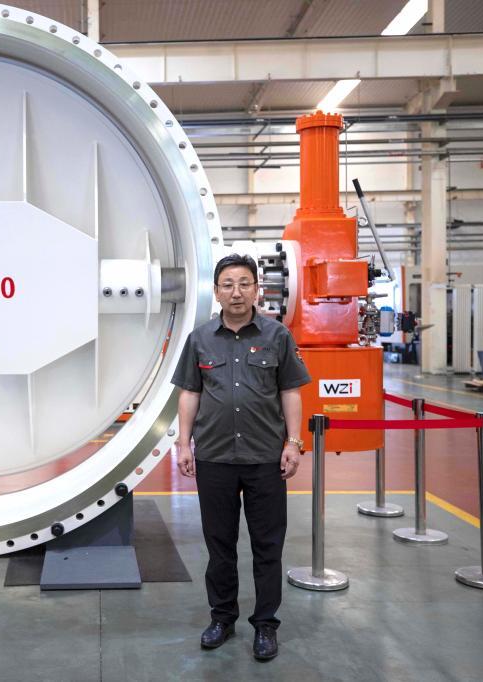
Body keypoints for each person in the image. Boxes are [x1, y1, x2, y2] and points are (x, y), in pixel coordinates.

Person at [171, 253, 311, 661]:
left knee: (268, 546)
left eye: (244, 283)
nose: (236, 292)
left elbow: (290, 392)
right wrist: (184, 444)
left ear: (256, 290)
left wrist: (293, 443)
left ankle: (265, 625)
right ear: (216, 292)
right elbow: (190, 393)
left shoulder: (277, 336)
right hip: (214, 457)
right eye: (228, 284)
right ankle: (222, 618)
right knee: (220, 546)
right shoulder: (200, 339)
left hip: (265, 457)